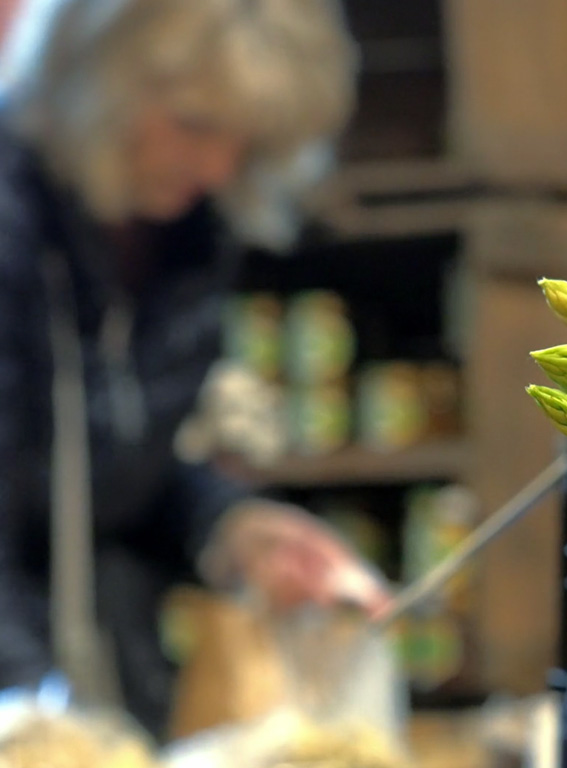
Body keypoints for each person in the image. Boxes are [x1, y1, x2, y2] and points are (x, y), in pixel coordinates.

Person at [0, 0, 388, 738]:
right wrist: (32, 711)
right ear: (92, 83)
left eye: (244, 139)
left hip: (101, 680)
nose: (217, 167)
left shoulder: (182, 236)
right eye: (194, 123)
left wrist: (228, 525)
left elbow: (97, 471)